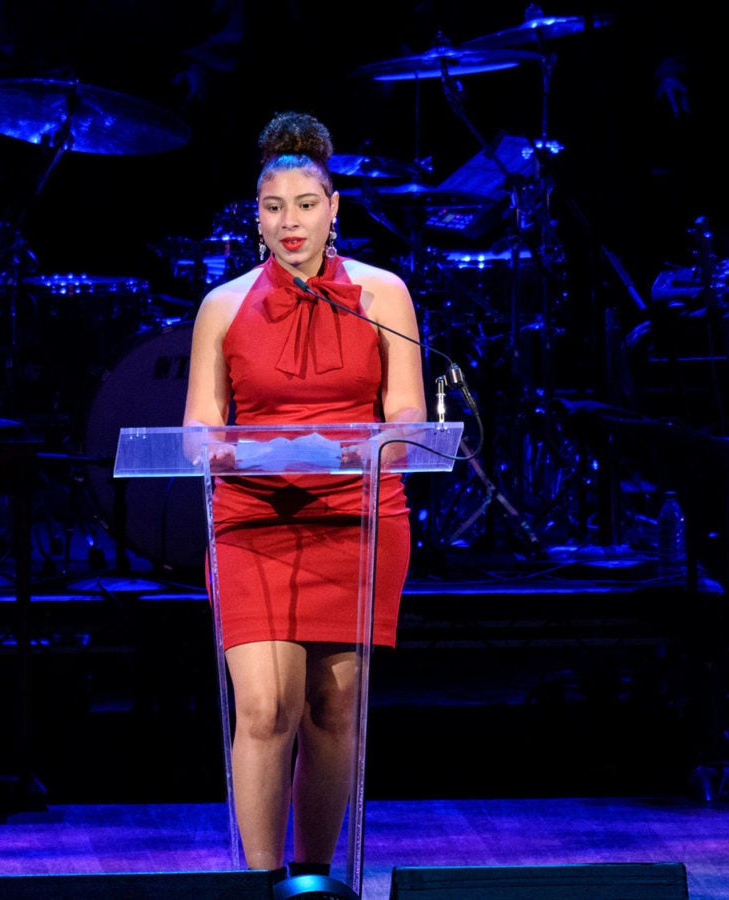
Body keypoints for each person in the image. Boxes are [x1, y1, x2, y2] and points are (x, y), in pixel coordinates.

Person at [181, 110, 428, 880]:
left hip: (356, 516)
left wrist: (353, 448)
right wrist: (255, 449)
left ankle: (314, 887)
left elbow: (410, 417)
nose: (291, 223)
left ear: (335, 209)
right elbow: (197, 431)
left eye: (307, 205)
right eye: (274, 207)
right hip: (254, 519)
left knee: (331, 713)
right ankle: (258, 889)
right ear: (256, 216)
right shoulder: (223, 305)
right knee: (264, 708)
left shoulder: (383, 295)